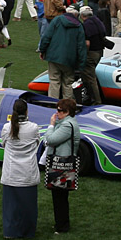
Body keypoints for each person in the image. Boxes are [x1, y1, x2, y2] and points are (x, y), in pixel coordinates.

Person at [0, 98, 40, 239]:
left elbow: (4, 144)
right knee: (28, 207)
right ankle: (28, 232)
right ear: (26, 111)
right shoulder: (34, 127)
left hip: (11, 174)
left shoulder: (6, 127)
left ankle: (11, 232)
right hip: (28, 174)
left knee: (11, 208)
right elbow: (36, 143)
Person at [45, 97, 81, 233]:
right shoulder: (67, 123)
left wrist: (51, 125)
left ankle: (62, 226)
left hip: (61, 165)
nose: (57, 113)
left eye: (59, 110)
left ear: (67, 112)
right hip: (61, 164)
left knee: (59, 196)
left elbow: (51, 139)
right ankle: (61, 223)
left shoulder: (66, 125)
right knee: (59, 196)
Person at [39, 7, 87, 101]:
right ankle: (67, 106)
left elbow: (46, 37)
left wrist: (42, 50)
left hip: (54, 56)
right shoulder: (79, 26)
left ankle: (52, 103)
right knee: (68, 83)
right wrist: (81, 64)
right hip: (70, 59)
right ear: (77, 15)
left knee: (54, 81)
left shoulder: (57, 20)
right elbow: (81, 46)